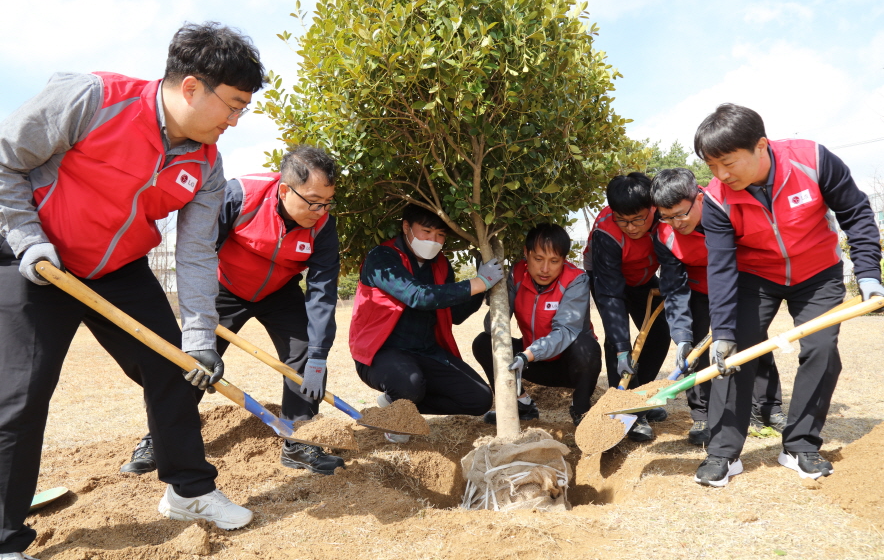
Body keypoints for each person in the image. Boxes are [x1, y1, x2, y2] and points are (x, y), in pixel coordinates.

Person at [0, 22, 266, 558]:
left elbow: (194, 254)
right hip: (36, 260)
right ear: (191, 87)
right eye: (233, 105)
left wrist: (198, 336)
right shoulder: (93, 99)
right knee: (22, 397)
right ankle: (4, 538)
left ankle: (189, 491)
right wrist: (28, 240)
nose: (237, 120)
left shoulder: (206, 166)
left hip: (116, 269)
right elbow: (6, 160)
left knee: (173, 369)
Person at [121, 146, 345, 477]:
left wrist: (318, 355)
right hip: (223, 287)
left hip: (279, 292)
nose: (320, 210)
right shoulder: (240, 196)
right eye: (313, 201)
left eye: (327, 202)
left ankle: (300, 442)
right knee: (191, 362)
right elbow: (199, 253)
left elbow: (322, 293)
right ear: (285, 189)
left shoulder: (323, 227)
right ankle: (159, 439)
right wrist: (200, 327)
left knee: (305, 353)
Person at [693, 103, 884, 487]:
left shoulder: (812, 160)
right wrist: (725, 330)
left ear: (761, 146)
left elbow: (857, 212)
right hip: (755, 277)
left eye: (727, 162)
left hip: (818, 273)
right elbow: (722, 268)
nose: (720, 174)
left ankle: (800, 444)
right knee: (735, 356)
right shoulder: (715, 199)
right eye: (712, 166)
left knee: (822, 349)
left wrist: (867, 273)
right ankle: (723, 453)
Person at [651, 168, 785, 447]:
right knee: (695, 353)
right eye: (667, 216)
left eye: (681, 214)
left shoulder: (726, 209)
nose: (675, 223)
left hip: (740, 285)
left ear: (698, 197)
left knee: (752, 341)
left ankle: (768, 408)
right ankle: (702, 414)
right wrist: (682, 336)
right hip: (698, 291)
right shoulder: (664, 234)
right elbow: (674, 285)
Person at [349, 204, 500, 442]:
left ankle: (398, 404)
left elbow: (455, 315)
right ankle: (399, 409)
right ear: (406, 227)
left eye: (440, 235)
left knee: (478, 398)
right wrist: (478, 283)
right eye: (426, 232)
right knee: (409, 383)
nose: (433, 240)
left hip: (425, 351)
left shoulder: (440, 265)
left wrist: (483, 289)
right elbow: (416, 296)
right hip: (381, 353)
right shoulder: (382, 257)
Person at [472, 224, 602, 426]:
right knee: (483, 343)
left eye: (554, 261)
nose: (545, 269)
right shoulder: (516, 274)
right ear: (526, 253)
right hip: (531, 363)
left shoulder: (576, 280)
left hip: (568, 366)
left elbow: (566, 330)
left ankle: (581, 411)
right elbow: (494, 327)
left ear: (564, 260)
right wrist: (491, 291)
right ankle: (520, 403)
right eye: (538, 259)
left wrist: (528, 354)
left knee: (587, 347)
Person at [589, 172, 671, 442]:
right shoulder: (605, 232)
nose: (632, 227)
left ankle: (642, 397)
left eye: (638, 219)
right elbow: (611, 293)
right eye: (622, 220)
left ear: (652, 208)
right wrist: (623, 347)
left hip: (644, 277)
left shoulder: (666, 212)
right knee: (617, 341)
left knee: (660, 333)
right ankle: (627, 411)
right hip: (607, 278)